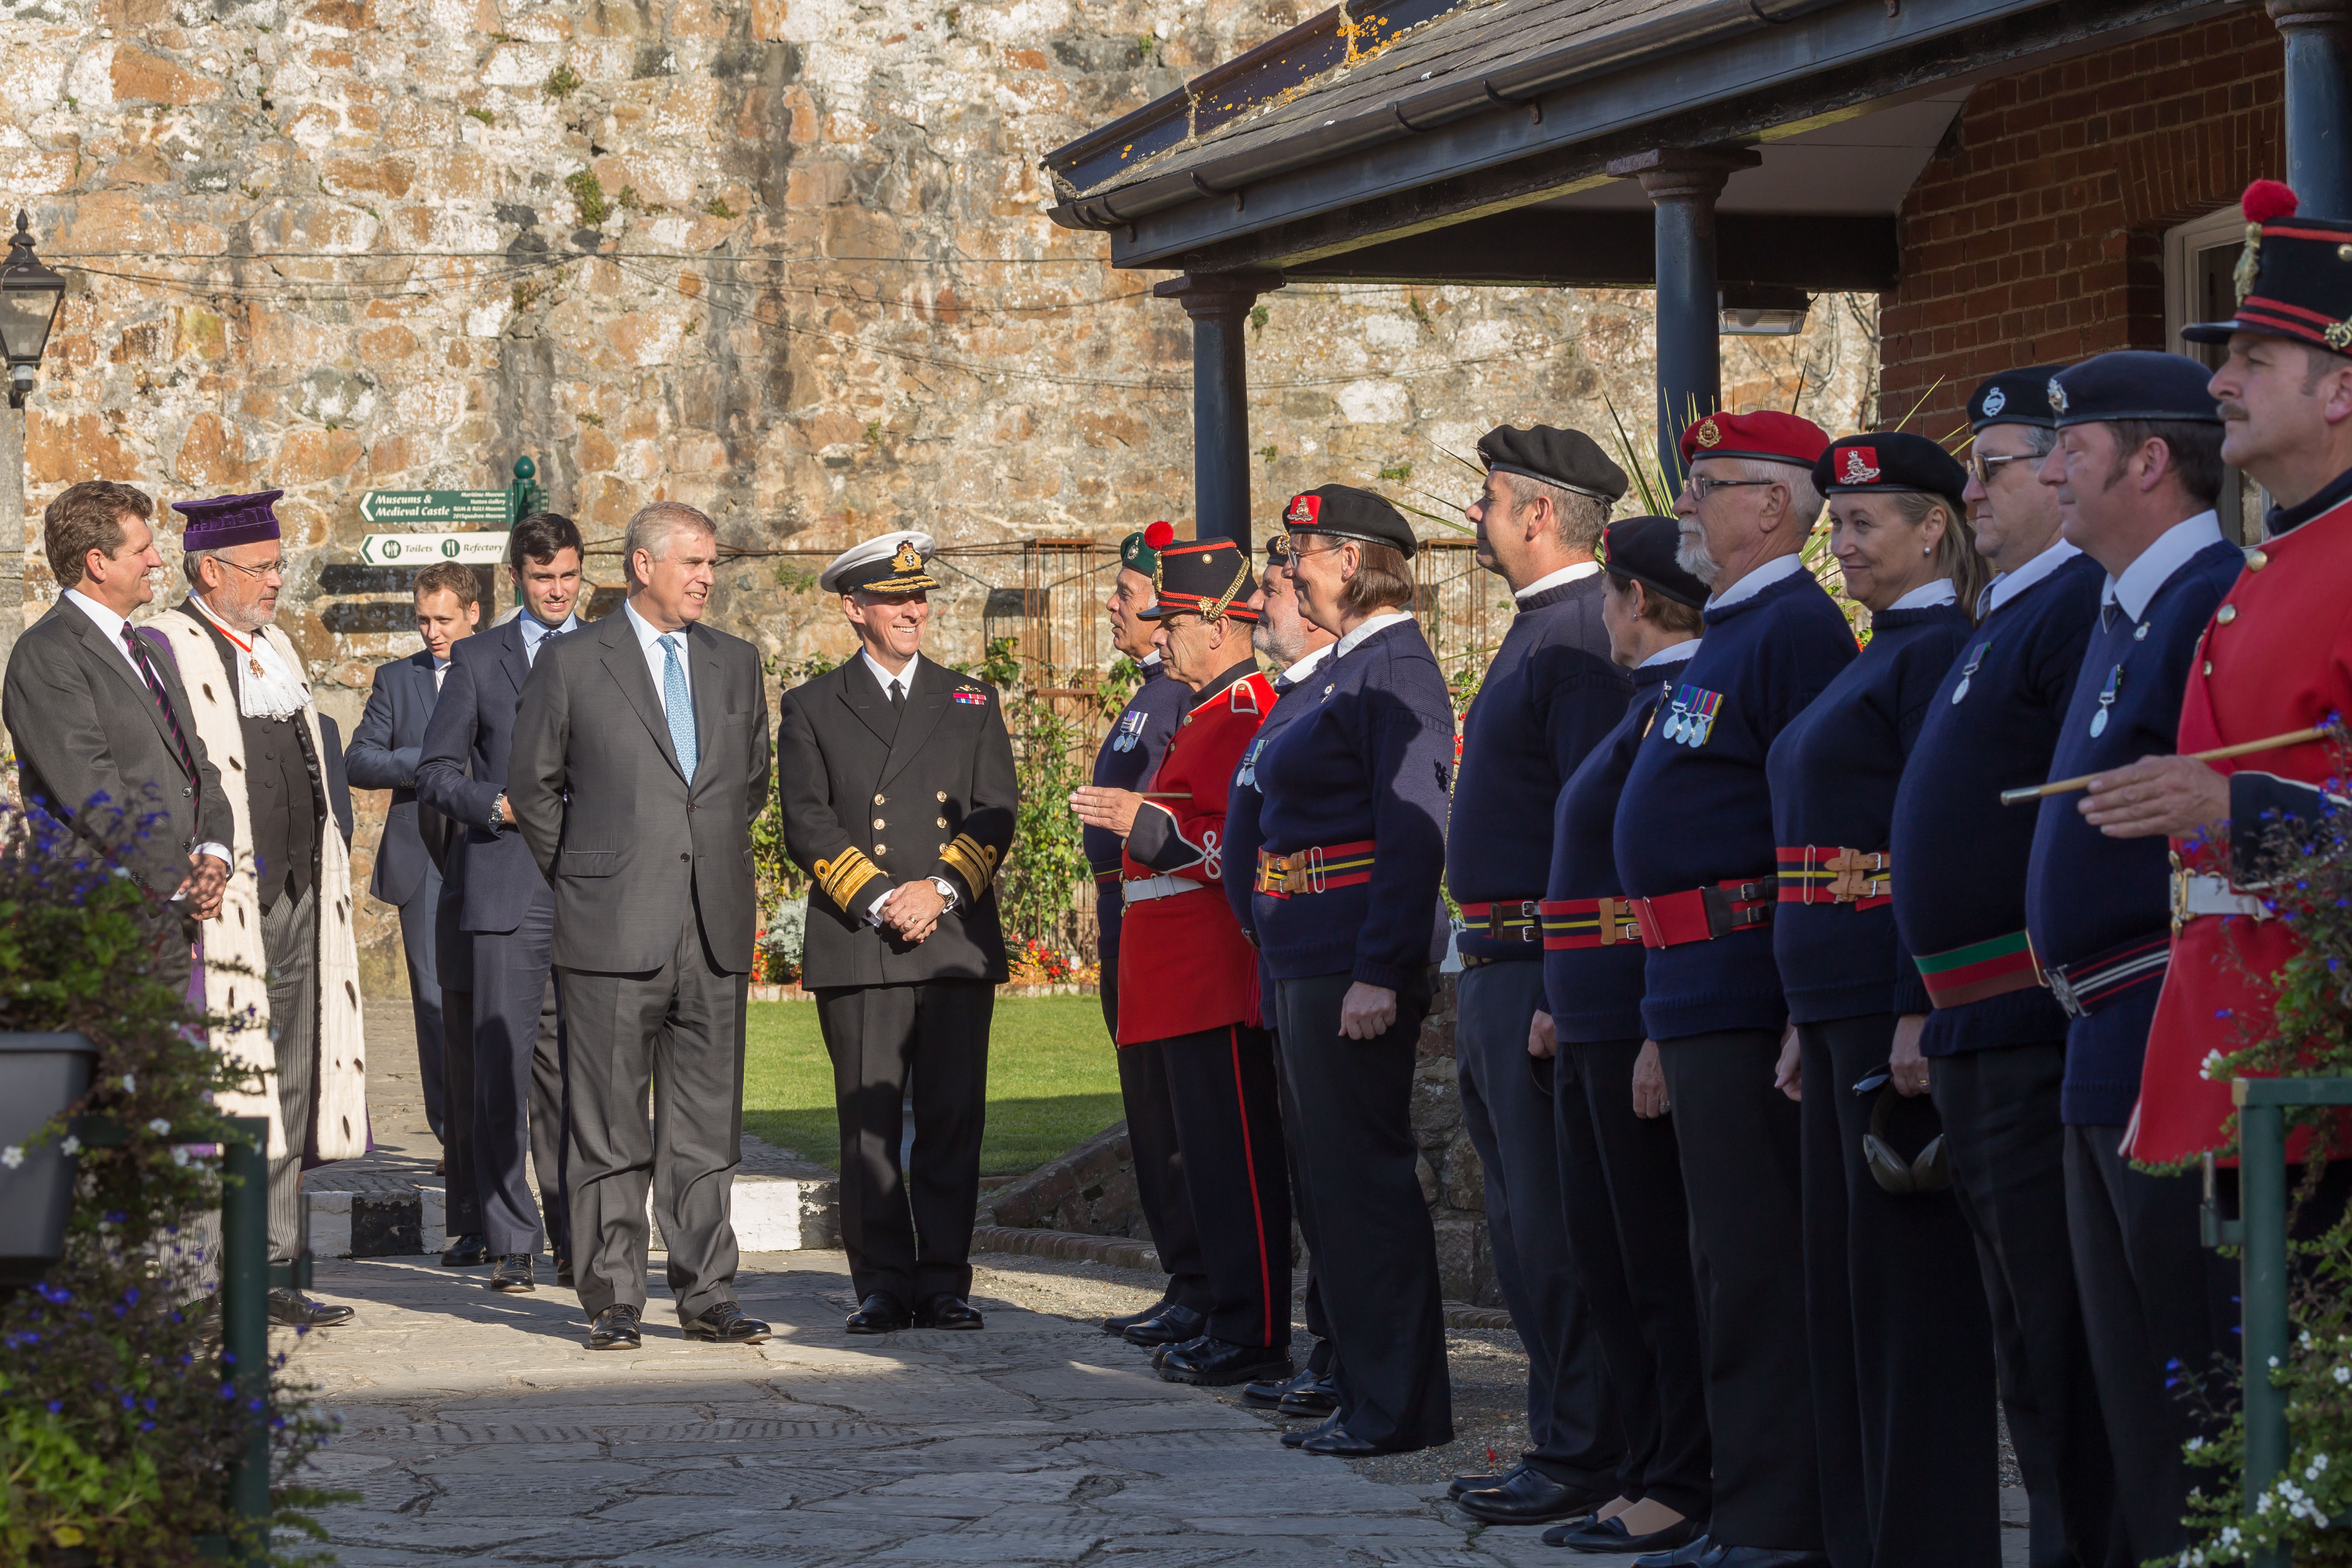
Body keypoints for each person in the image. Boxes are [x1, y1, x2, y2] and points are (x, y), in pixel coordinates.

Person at [1890, 369, 2120, 1568]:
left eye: (1994, 463)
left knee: (2061, 1334)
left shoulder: (2076, 604)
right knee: (2023, 1336)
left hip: (2034, 1020)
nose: (1969, 487)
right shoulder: (2012, 613)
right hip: (1973, 1021)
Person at [1612, 410, 1849, 1568]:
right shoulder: (1736, 629)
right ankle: (1739, 1504)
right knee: (1720, 1259)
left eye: (1707, 485)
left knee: (1759, 1265)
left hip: (1750, 981)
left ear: (1772, 505)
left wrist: (1796, 1004)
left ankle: (1773, 1518)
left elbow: (1811, 828)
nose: (1687, 507)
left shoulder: (1793, 629)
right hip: (1695, 982)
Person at [2020, 351, 2242, 1564]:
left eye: (2071, 449)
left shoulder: (2210, 594)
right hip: (2097, 1033)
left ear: (2147, 462)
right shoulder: (2123, 606)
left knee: (2182, 1375)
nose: (2050, 471)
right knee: (2120, 1383)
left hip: (2172, 1026)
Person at [1775, 432, 1996, 1568]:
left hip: (1884, 992)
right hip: (1829, 995)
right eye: (1837, 522)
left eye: (1865, 523)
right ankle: (1861, 1535)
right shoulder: (1874, 652)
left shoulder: (1937, 653)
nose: (1841, 541)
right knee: (1848, 1293)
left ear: (1933, 530)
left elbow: (1933, 842)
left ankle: (1921, 1541)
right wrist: (1794, 1017)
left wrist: (1915, 1001)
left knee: (1910, 1301)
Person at [2122, 179, 2352, 1172]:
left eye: (2252, 361)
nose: (2218, 383)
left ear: (2339, 389)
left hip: (2314, 1076)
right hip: (2216, 1068)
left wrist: (2235, 806)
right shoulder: (2270, 562)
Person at [508, 501, 772, 1351]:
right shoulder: (574, 661)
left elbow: (750, 784)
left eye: (711, 564)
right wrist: (588, 874)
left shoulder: (736, 663)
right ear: (641, 566)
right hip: (609, 925)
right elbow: (535, 783)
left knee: (705, 1126)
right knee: (609, 1123)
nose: (705, 578)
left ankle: (708, 1293)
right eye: (691, 562)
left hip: (713, 928)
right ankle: (613, 1296)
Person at [1444, 424, 1634, 1528]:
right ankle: (1560, 1433)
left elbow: (1592, 816)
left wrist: (1569, 982)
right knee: (1519, 1226)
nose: (1472, 518)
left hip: (1538, 960)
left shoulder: (1573, 635)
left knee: (1553, 1227)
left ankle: (1583, 1446)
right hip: (1496, 956)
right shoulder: (1541, 629)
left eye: (1485, 500)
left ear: (1535, 515)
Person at [1248, 485, 1454, 1458]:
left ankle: (1396, 1405)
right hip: (1308, 948)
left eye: (1303, 552)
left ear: (1353, 560)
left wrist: (1382, 965)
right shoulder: (1348, 670)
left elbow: (1414, 835)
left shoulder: (1394, 671)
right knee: (1331, 1187)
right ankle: (1365, 1389)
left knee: (1364, 1185)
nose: (1290, 569)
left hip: (1349, 958)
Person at [775, 530, 1019, 1336]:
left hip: (950, 938)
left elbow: (994, 812)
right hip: (862, 939)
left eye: (919, 598)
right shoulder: (812, 705)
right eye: (894, 599)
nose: (913, 610)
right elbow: (806, 822)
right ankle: (881, 1281)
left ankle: (944, 1279)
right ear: (856, 610)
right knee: (868, 1125)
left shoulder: (970, 699)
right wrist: (882, 896)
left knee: (952, 1118)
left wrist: (939, 888)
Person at [1533, 515, 1712, 1558]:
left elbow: (1658, 877)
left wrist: (1645, 1019)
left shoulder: (1669, 708)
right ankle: (1646, 1467)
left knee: (1653, 1268)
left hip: (1632, 1016)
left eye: (1607, 594)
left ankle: (1678, 1477)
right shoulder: (1642, 707)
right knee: (1609, 1264)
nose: (1603, 611)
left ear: (1635, 602)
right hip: (1591, 1012)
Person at [1072, 535, 1286, 1388]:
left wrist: (1147, 827)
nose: (1157, 637)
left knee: (1235, 1164)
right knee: (1200, 1159)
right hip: (1172, 979)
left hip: (1209, 974)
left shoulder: (1246, 709)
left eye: (1172, 623)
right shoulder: (1199, 710)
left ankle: (1253, 1325)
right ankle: (1223, 1312)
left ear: (1217, 623)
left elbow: (1236, 847)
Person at [150, 488, 367, 1330]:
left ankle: (274, 1266)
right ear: (212, 570)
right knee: (225, 1086)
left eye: (281, 564)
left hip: (304, 894)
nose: (280, 580)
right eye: (265, 567)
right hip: (228, 905)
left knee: (294, 1077)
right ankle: (202, 1278)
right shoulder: (165, 646)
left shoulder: (276, 645)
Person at [416, 516, 587, 1292]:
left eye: (569, 576)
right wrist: (501, 806)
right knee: (501, 1074)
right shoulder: (478, 660)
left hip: (591, 894)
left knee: (577, 1082)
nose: (557, 591)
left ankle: (575, 1237)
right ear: (517, 576)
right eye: (543, 578)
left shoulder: (608, 651)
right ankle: (510, 1236)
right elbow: (437, 773)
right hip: (504, 889)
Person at [4, 481, 231, 1002]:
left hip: (165, 916)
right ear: (97, 563)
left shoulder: (144, 648)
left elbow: (198, 766)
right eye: (142, 550)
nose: (157, 559)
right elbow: (94, 791)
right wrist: (183, 878)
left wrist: (214, 852)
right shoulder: (47, 654)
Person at [1224, 535, 1342, 1420]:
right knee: (1312, 1171)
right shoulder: (1289, 700)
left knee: (1336, 1175)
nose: (1262, 605)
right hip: (1281, 950)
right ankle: (1328, 1349)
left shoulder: (1326, 694)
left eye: (1276, 590)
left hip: (1323, 954)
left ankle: (1341, 1354)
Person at [1086, 522, 1212, 1346]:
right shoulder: (1146, 693)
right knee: (1151, 1112)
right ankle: (1185, 1278)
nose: (1114, 605)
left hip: (1160, 912)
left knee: (1177, 1116)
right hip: (1122, 913)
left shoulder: (1183, 695)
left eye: (1128, 595)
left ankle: (1202, 1281)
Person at [347, 561, 477, 1165]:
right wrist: (424, 760)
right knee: (433, 1002)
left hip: (494, 851)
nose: (432, 631)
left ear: (472, 613)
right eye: (423, 620)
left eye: (443, 619)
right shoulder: (397, 680)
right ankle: (453, 1137)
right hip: (422, 856)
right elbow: (360, 761)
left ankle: (501, 1126)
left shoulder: (510, 668)